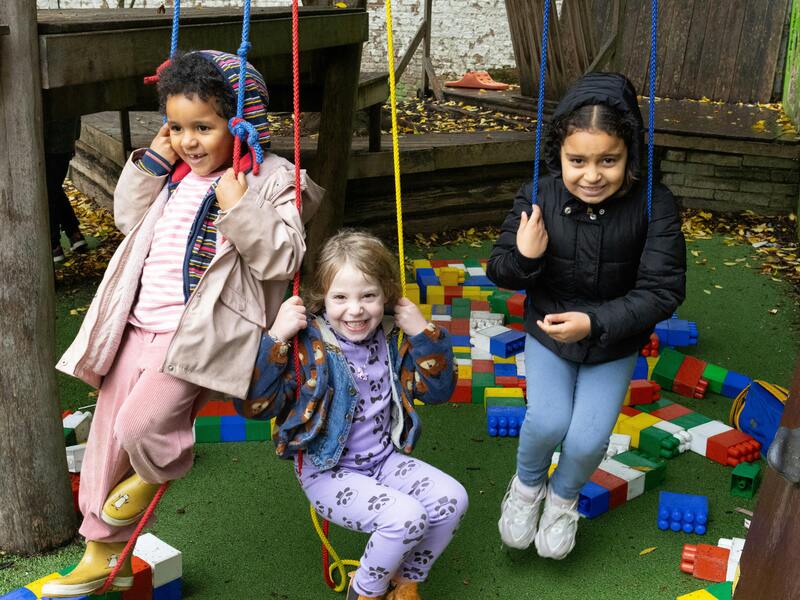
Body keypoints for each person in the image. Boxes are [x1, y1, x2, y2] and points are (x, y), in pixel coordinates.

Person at [43, 50, 323, 597]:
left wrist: (242, 207)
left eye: (204, 127)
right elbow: (127, 219)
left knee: (139, 428)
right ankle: (103, 555)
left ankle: (154, 474)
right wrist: (152, 157)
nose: (189, 141)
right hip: (136, 325)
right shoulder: (172, 171)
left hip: (198, 338)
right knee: (105, 439)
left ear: (242, 125)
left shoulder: (271, 180)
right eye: (177, 127)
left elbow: (284, 258)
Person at [487, 72, 686, 560]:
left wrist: (595, 324)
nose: (591, 175)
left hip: (613, 340)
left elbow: (664, 290)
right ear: (559, 156)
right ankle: (528, 487)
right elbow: (501, 270)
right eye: (577, 161)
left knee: (588, 437)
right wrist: (527, 257)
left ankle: (562, 499)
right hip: (551, 331)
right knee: (547, 420)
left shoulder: (654, 204)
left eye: (608, 161)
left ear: (629, 156)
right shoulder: (538, 194)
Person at [236, 230, 468, 600]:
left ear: (386, 296)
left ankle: (404, 581)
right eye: (340, 297)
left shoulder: (393, 336)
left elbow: (439, 392)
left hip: (385, 461)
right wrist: (276, 338)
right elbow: (254, 406)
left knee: (452, 499)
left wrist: (423, 333)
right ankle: (365, 592)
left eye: (368, 296)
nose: (355, 309)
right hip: (327, 472)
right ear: (322, 298)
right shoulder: (309, 345)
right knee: (405, 517)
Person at [45, 117, 87, 263]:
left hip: (53, 138)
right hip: (63, 138)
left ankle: (54, 243)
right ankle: (74, 233)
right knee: (52, 188)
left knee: (49, 191)